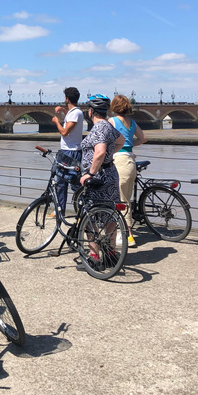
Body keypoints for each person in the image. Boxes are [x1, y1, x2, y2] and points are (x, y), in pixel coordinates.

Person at [79, 94, 125, 268]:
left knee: (90, 215)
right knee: (110, 215)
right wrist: (109, 156)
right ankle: (111, 254)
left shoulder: (98, 128)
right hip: (111, 173)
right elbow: (121, 141)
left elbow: (99, 151)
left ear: (91, 112)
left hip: (98, 179)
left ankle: (94, 257)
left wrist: (90, 173)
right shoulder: (109, 125)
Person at [109, 94, 147, 245]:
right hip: (130, 161)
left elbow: (106, 140)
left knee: (120, 200)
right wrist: (129, 146)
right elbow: (143, 138)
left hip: (119, 161)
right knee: (127, 199)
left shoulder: (112, 121)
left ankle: (127, 235)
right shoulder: (131, 122)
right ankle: (126, 233)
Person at [52, 87, 84, 215]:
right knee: (60, 182)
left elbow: (65, 132)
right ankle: (60, 211)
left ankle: (83, 211)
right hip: (65, 151)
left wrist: (56, 122)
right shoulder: (72, 112)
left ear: (67, 98)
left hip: (72, 152)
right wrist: (64, 111)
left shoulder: (76, 113)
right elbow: (70, 125)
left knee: (75, 183)